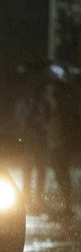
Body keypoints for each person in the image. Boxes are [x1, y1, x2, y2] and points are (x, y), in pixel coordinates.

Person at [13, 82, 48, 212]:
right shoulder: (24, 104)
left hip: (39, 140)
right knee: (27, 170)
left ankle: (39, 197)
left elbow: (46, 122)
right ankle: (28, 197)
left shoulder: (43, 104)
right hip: (29, 140)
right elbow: (19, 121)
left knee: (40, 170)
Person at [44, 81, 76, 220]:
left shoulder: (64, 107)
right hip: (56, 145)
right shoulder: (58, 106)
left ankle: (68, 206)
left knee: (63, 176)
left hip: (60, 145)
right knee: (61, 176)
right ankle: (67, 206)